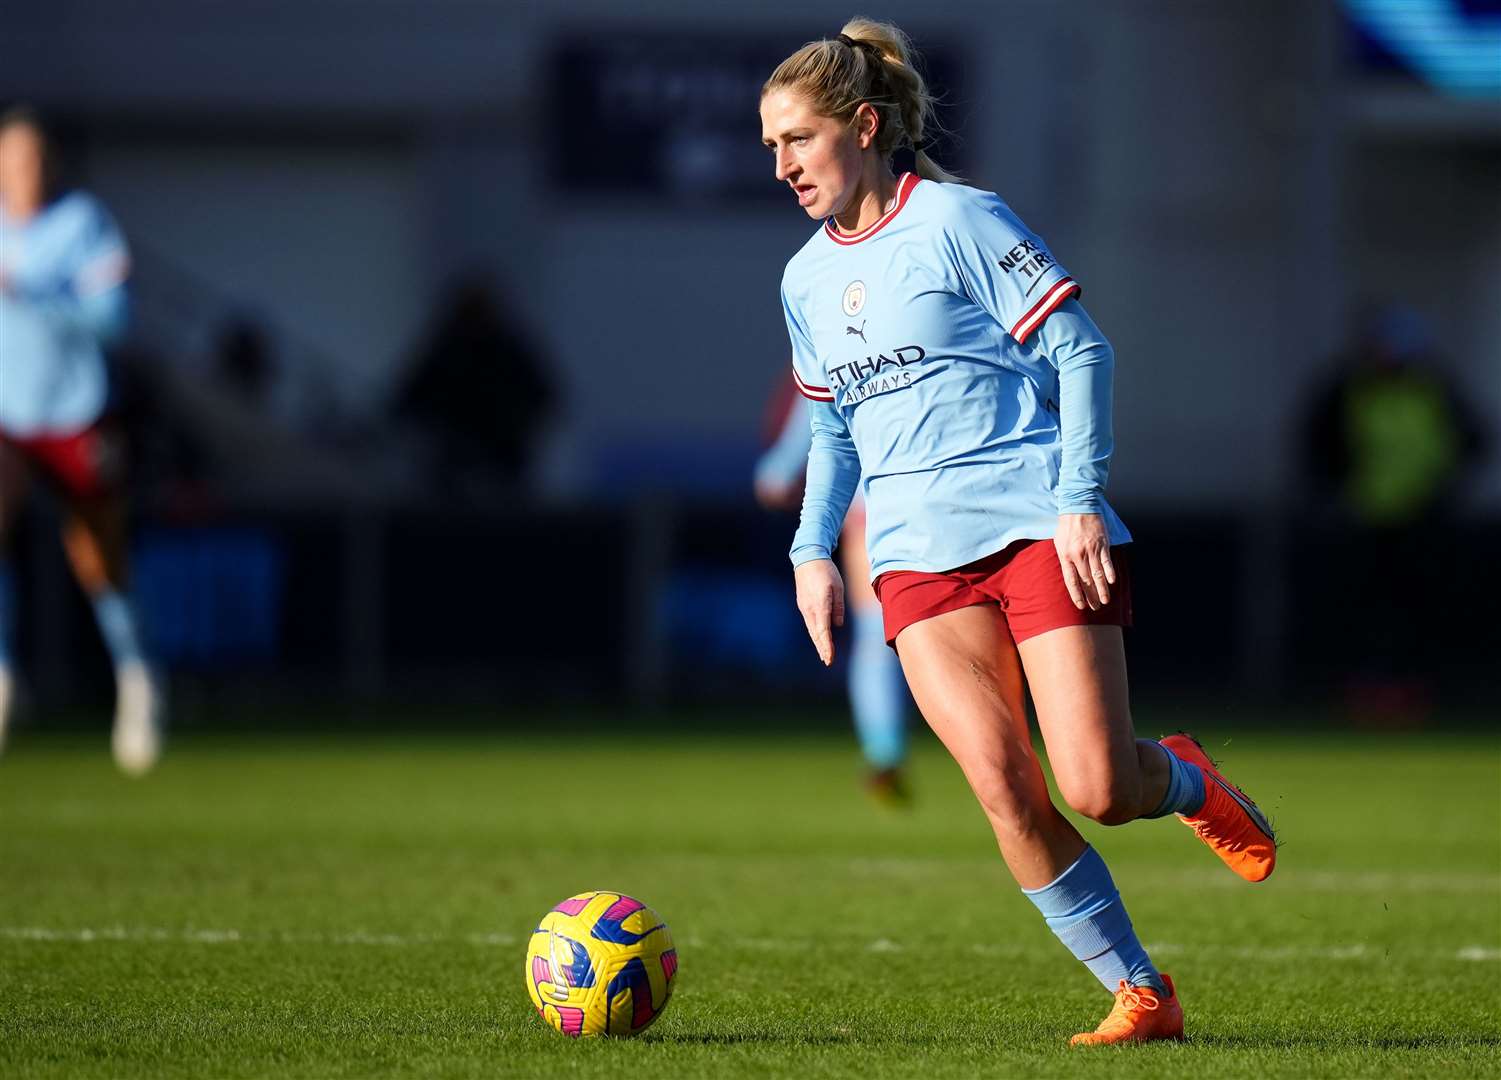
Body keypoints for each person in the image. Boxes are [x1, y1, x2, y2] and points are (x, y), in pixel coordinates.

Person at [760, 21, 1277, 1046]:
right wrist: (812, 550)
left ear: (864, 127)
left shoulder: (959, 219)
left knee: (1093, 787)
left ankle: (1180, 776)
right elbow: (829, 425)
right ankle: (1141, 992)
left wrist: (1079, 497)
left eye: (798, 140)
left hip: (1034, 527)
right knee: (1004, 786)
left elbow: (1083, 352)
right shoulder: (801, 278)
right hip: (912, 563)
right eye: (770, 144)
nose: (780, 165)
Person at [0, 106, 164, 774]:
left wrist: (37, 294)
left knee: (98, 558)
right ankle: (3, 674)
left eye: (35, 160)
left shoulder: (82, 225)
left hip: (76, 411)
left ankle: (137, 680)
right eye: (12, 161)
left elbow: (115, 320)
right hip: (7, 415)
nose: (25, 173)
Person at [754, 373, 911, 804]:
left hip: (877, 504)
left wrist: (779, 470)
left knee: (880, 636)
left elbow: (816, 414)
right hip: (926, 498)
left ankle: (885, 752)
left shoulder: (833, 324)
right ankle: (891, 754)